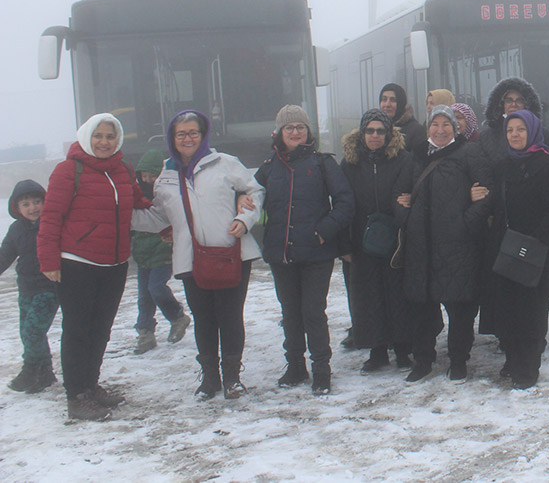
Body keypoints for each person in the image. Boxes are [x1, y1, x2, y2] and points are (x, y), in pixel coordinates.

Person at [134, 111, 265, 399]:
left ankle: (232, 377)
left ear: (203, 135)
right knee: (204, 319)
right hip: (190, 260)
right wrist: (123, 215)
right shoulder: (166, 176)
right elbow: (158, 217)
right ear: (172, 138)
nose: (188, 138)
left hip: (233, 254)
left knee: (231, 317)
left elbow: (254, 192)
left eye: (193, 132)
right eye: (181, 134)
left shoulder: (226, 163)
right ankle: (209, 379)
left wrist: (245, 221)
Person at [38, 113, 153, 421]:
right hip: (77, 262)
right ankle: (76, 396)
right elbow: (50, 217)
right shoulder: (68, 170)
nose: (104, 142)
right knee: (77, 330)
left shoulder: (123, 170)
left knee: (101, 329)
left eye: (110, 136)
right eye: (99, 136)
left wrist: (165, 222)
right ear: (87, 137)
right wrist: (48, 260)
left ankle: (91, 385)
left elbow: (138, 202)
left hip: (114, 263)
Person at [256, 105, 354, 395]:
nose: (296, 132)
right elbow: (249, 198)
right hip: (281, 252)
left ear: (308, 132)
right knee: (290, 312)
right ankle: (296, 366)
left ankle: (322, 369)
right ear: (280, 133)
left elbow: (345, 201)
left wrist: (325, 231)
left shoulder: (323, 163)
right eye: (290, 128)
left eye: (300, 127)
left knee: (313, 311)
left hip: (316, 253)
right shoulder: (269, 167)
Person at [397, 105, 493, 383]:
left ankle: (459, 360)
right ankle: (423, 360)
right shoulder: (414, 156)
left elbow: (487, 193)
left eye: (446, 124)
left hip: (457, 246)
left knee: (459, 307)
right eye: (435, 124)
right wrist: (405, 215)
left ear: (456, 128)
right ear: (428, 128)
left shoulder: (469, 153)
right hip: (420, 246)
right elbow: (399, 193)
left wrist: (466, 223)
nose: (440, 130)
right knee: (422, 307)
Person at [482, 110, 549, 388]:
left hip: (534, 251)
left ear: (531, 131)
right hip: (506, 248)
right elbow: (495, 205)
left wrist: (538, 241)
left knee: (531, 311)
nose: (515, 135)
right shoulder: (502, 166)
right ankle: (512, 359)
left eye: (520, 129)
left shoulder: (546, 166)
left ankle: (528, 368)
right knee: (508, 310)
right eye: (510, 130)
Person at [338, 109, 413, 373]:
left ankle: (403, 349)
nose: (375, 135)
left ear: (389, 133)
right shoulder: (349, 164)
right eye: (370, 130)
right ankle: (376, 350)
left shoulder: (403, 160)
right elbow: (342, 203)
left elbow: (408, 191)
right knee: (368, 297)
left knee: (398, 295)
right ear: (362, 133)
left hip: (395, 239)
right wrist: (344, 245)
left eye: (380, 130)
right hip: (361, 240)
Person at [130, 149, 190, 355]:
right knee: (144, 296)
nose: (147, 181)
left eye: (151, 176)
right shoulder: (136, 199)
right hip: (143, 255)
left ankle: (177, 316)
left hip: (163, 252)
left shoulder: (166, 196)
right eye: (143, 176)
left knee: (156, 287)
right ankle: (145, 332)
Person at [1, 180, 58, 393]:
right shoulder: (16, 229)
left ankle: (30, 369)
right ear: (16, 208)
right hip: (26, 288)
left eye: (37, 202)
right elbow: (5, 254)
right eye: (25, 204)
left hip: (48, 288)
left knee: (33, 330)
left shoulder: (52, 224)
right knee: (27, 332)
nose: (32, 208)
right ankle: (44, 373)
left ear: (45, 202)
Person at [479, 77, 549, 184]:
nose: (513, 104)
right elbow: (479, 170)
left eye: (519, 100)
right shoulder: (486, 138)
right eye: (508, 100)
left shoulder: (540, 134)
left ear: (527, 104)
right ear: (500, 104)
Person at [379, 83, 425, 149]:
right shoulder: (375, 129)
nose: (387, 104)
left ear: (401, 103)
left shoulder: (416, 131)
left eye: (393, 100)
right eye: (384, 99)